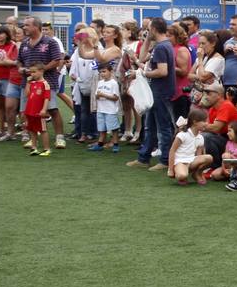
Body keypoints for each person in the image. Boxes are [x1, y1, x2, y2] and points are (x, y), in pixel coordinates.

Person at [126, 18, 174, 172]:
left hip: (161, 91)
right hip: (157, 91)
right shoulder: (163, 46)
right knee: (151, 126)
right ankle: (144, 157)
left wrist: (144, 73)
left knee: (163, 127)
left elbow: (162, 71)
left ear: (153, 29)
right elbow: (141, 58)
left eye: (148, 30)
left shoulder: (161, 47)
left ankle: (165, 160)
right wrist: (147, 39)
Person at [18, 16, 66, 150]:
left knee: (52, 109)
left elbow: (57, 60)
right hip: (27, 83)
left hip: (47, 82)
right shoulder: (24, 43)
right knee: (27, 111)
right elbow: (19, 60)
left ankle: (60, 137)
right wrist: (21, 68)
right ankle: (32, 138)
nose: (24, 27)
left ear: (36, 27)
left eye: (27, 25)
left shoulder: (50, 42)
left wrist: (41, 70)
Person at [168, 108, 213, 185]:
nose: (206, 123)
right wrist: (171, 169)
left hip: (191, 161)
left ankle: (196, 174)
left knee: (209, 157)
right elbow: (172, 150)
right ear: (195, 122)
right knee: (182, 175)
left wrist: (198, 167)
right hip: (180, 161)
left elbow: (198, 155)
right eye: (204, 121)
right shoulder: (182, 135)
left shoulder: (200, 137)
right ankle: (181, 173)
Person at [22, 60, 52, 157]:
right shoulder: (32, 83)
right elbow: (26, 94)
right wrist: (28, 83)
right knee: (31, 129)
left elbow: (47, 98)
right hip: (30, 111)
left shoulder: (45, 84)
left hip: (39, 112)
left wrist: (44, 109)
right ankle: (34, 147)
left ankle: (46, 149)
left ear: (41, 71)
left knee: (43, 130)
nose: (32, 74)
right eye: (31, 72)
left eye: (34, 72)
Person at [91, 61, 121, 152]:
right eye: (100, 72)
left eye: (104, 71)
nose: (102, 74)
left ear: (111, 72)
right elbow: (96, 95)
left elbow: (116, 97)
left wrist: (104, 95)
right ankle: (100, 144)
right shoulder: (100, 83)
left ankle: (115, 144)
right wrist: (98, 95)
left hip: (110, 110)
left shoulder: (113, 83)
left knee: (113, 128)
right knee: (101, 128)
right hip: (101, 109)